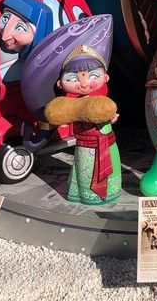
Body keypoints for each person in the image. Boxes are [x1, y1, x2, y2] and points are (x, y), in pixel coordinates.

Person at [44, 44, 121, 204]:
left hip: (108, 142)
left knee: (112, 167)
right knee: (85, 170)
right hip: (86, 147)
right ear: (60, 83)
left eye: (93, 76)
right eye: (73, 79)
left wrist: (111, 118)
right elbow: (62, 119)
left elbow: (109, 115)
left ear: (106, 77)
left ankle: (111, 191)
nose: (84, 84)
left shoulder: (103, 102)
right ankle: (86, 195)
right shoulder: (69, 105)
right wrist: (63, 122)